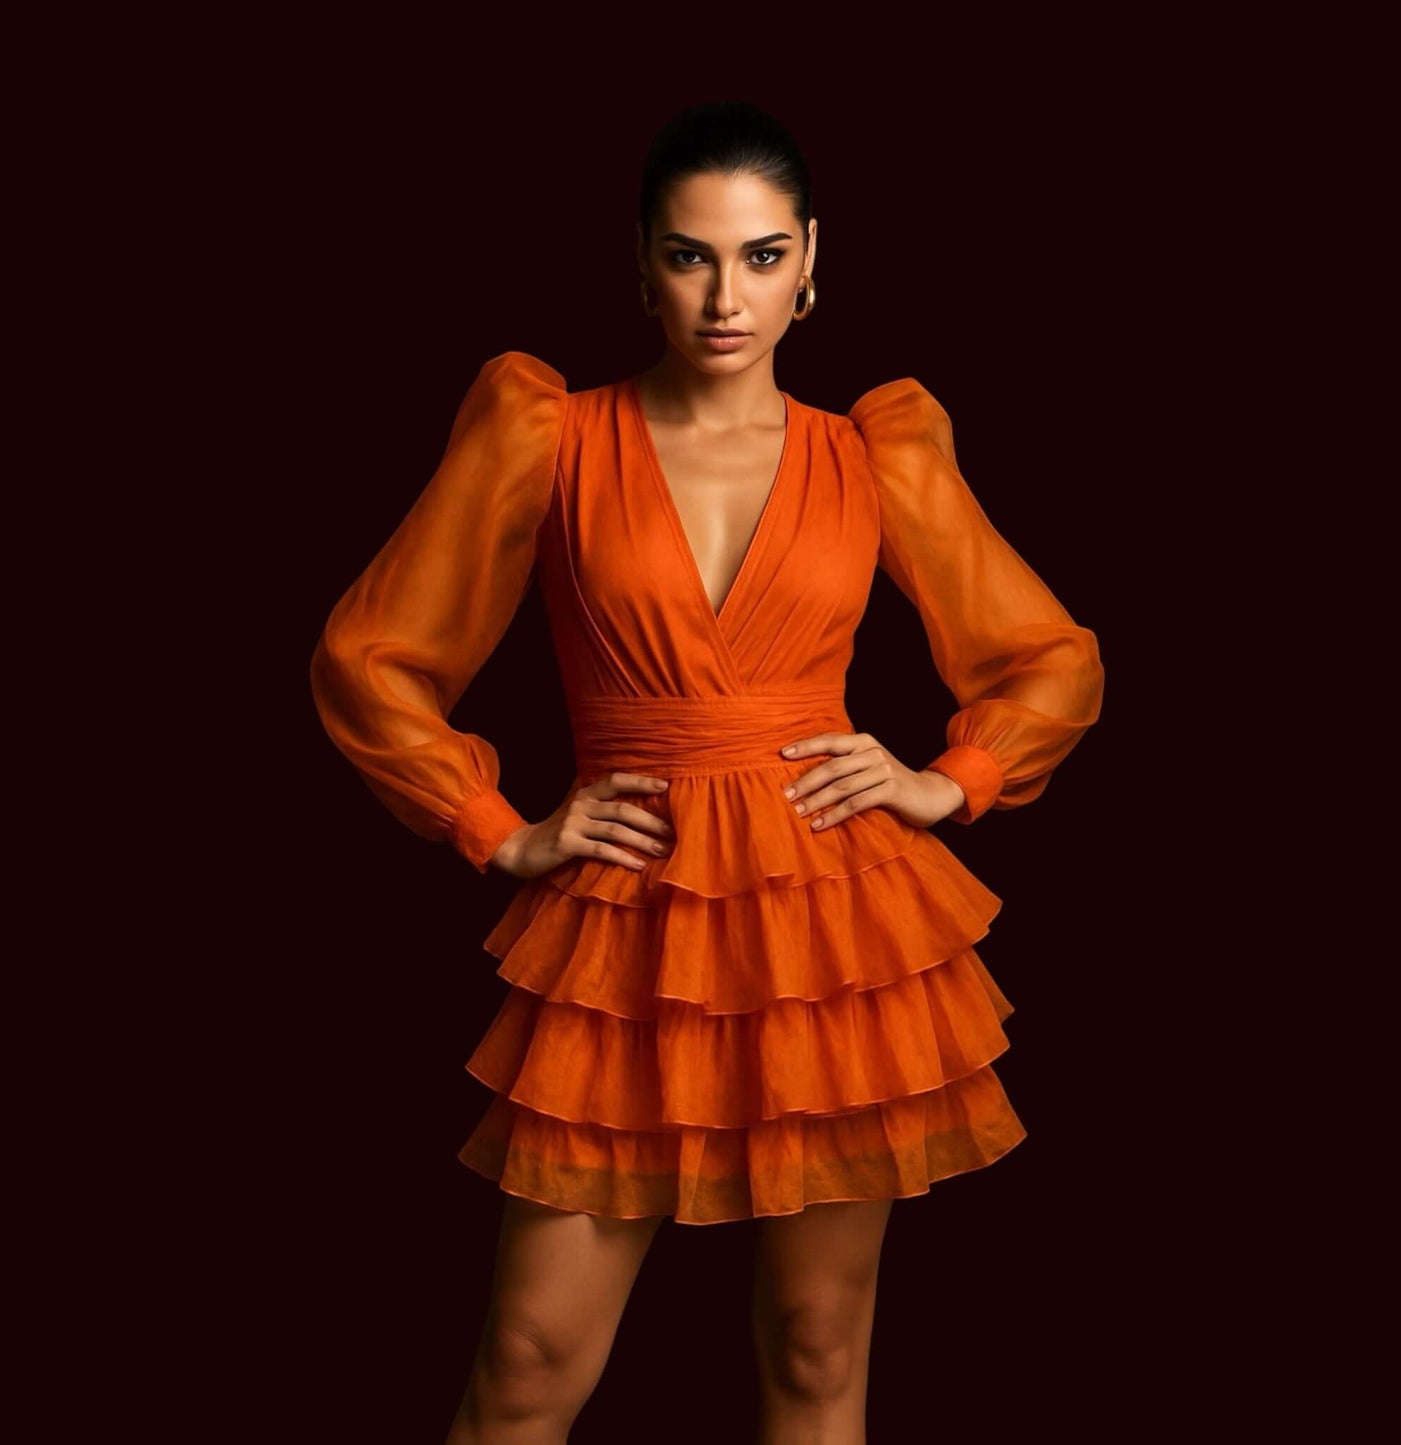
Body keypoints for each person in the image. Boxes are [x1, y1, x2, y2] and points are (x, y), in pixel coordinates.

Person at [310, 100, 1104, 1445]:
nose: (723, 295)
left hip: (831, 922)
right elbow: (369, 652)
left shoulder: (875, 454)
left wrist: (947, 779)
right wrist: (494, 826)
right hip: (626, 919)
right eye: (689, 257)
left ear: (809, 262)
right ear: (640, 267)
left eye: (755, 255)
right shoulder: (548, 434)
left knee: (812, 1349)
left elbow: (1049, 659)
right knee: (524, 1355)